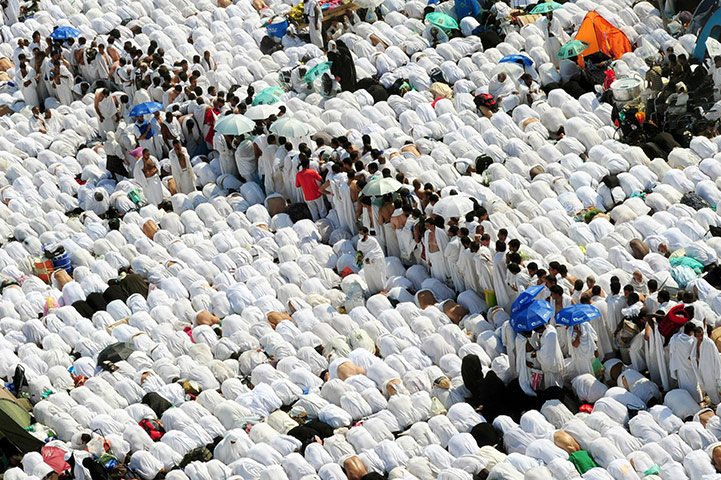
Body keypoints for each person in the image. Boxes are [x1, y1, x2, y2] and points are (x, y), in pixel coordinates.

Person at [357, 226, 387, 295]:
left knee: (378, 278)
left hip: (375, 262)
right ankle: (373, 293)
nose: (360, 235)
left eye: (362, 233)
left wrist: (369, 258)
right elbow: (359, 252)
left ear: (366, 233)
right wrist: (360, 258)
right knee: (370, 279)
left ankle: (382, 291)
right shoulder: (359, 242)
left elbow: (376, 251)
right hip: (366, 264)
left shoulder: (372, 240)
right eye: (359, 233)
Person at [295, 156, 326, 221]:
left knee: (314, 213)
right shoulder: (312, 172)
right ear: (308, 165)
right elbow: (320, 179)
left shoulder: (298, 174)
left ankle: (317, 226)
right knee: (322, 211)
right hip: (317, 194)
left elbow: (297, 185)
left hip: (307, 196)